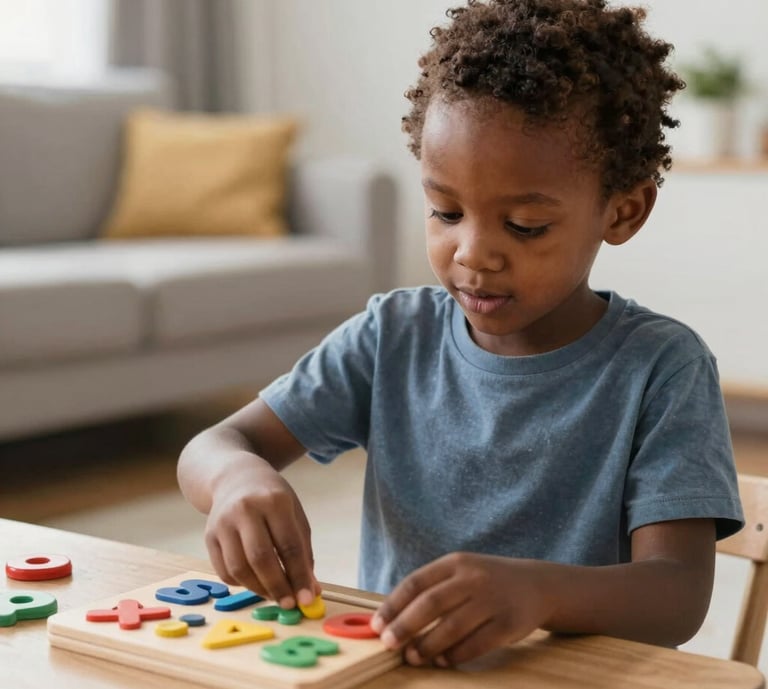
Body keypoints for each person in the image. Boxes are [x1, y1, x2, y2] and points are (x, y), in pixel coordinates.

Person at [178, 0, 744, 669]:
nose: (473, 252)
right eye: (445, 211)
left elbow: (676, 595)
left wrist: (540, 592)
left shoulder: (661, 368)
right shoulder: (391, 336)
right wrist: (238, 478)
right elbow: (213, 445)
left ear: (622, 210)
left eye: (526, 224)